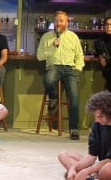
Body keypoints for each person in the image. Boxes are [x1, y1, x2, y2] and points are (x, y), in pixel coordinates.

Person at [36, 10, 85, 141]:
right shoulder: (46, 36)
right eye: (57, 20)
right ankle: (54, 98)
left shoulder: (73, 37)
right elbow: (39, 56)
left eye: (61, 21)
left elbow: (79, 55)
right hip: (54, 66)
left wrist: (78, 68)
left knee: (74, 98)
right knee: (48, 79)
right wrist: (52, 46)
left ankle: (74, 129)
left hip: (70, 68)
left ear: (67, 23)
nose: (58, 23)